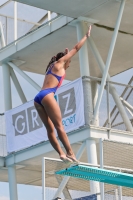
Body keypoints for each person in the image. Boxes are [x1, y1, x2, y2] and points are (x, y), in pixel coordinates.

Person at [34, 25, 91, 164]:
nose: (69, 64)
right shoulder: (60, 63)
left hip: (38, 98)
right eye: (69, 61)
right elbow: (76, 48)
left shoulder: (51, 67)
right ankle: (70, 153)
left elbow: (64, 61)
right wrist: (86, 36)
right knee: (59, 126)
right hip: (48, 95)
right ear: (65, 59)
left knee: (50, 129)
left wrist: (65, 53)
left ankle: (61, 153)